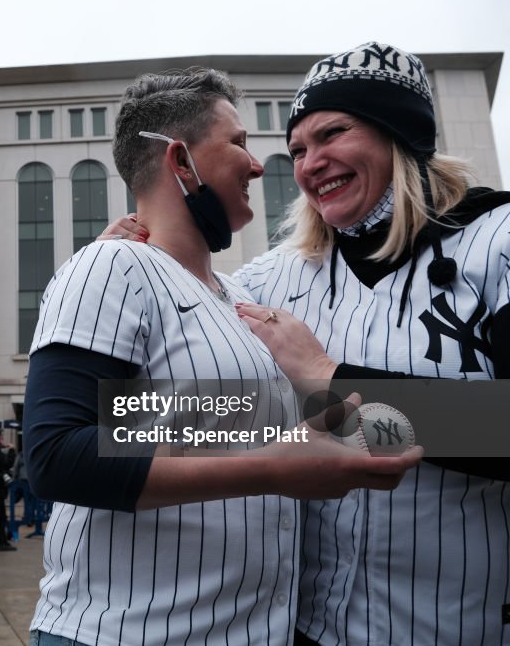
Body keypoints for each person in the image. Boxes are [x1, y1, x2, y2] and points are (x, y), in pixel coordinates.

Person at [104, 43, 510, 646]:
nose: (310, 163)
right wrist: (141, 254)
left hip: (457, 628)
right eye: (297, 150)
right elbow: (193, 398)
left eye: (333, 134)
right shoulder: (274, 279)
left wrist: (331, 379)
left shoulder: (496, 241)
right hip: (303, 630)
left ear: (399, 135)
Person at [25, 68, 423, 646]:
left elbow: (172, 421)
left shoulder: (240, 298)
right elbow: (56, 453)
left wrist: (314, 418)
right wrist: (274, 466)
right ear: (181, 162)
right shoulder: (109, 265)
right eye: (238, 143)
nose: (259, 165)